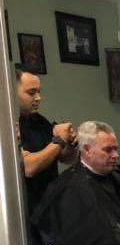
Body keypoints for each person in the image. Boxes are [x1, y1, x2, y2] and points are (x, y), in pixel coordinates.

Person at [32, 119, 120, 245]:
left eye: (116, 149)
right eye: (108, 150)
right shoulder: (67, 188)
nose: (116, 155)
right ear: (86, 150)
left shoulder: (117, 179)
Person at [16, 65, 78, 216]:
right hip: (23, 210)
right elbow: (28, 168)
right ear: (11, 92)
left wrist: (70, 142)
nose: (38, 98)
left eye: (39, 91)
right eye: (31, 92)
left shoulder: (40, 121)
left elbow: (65, 158)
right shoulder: (7, 126)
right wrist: (59, 140)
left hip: (48, 207)